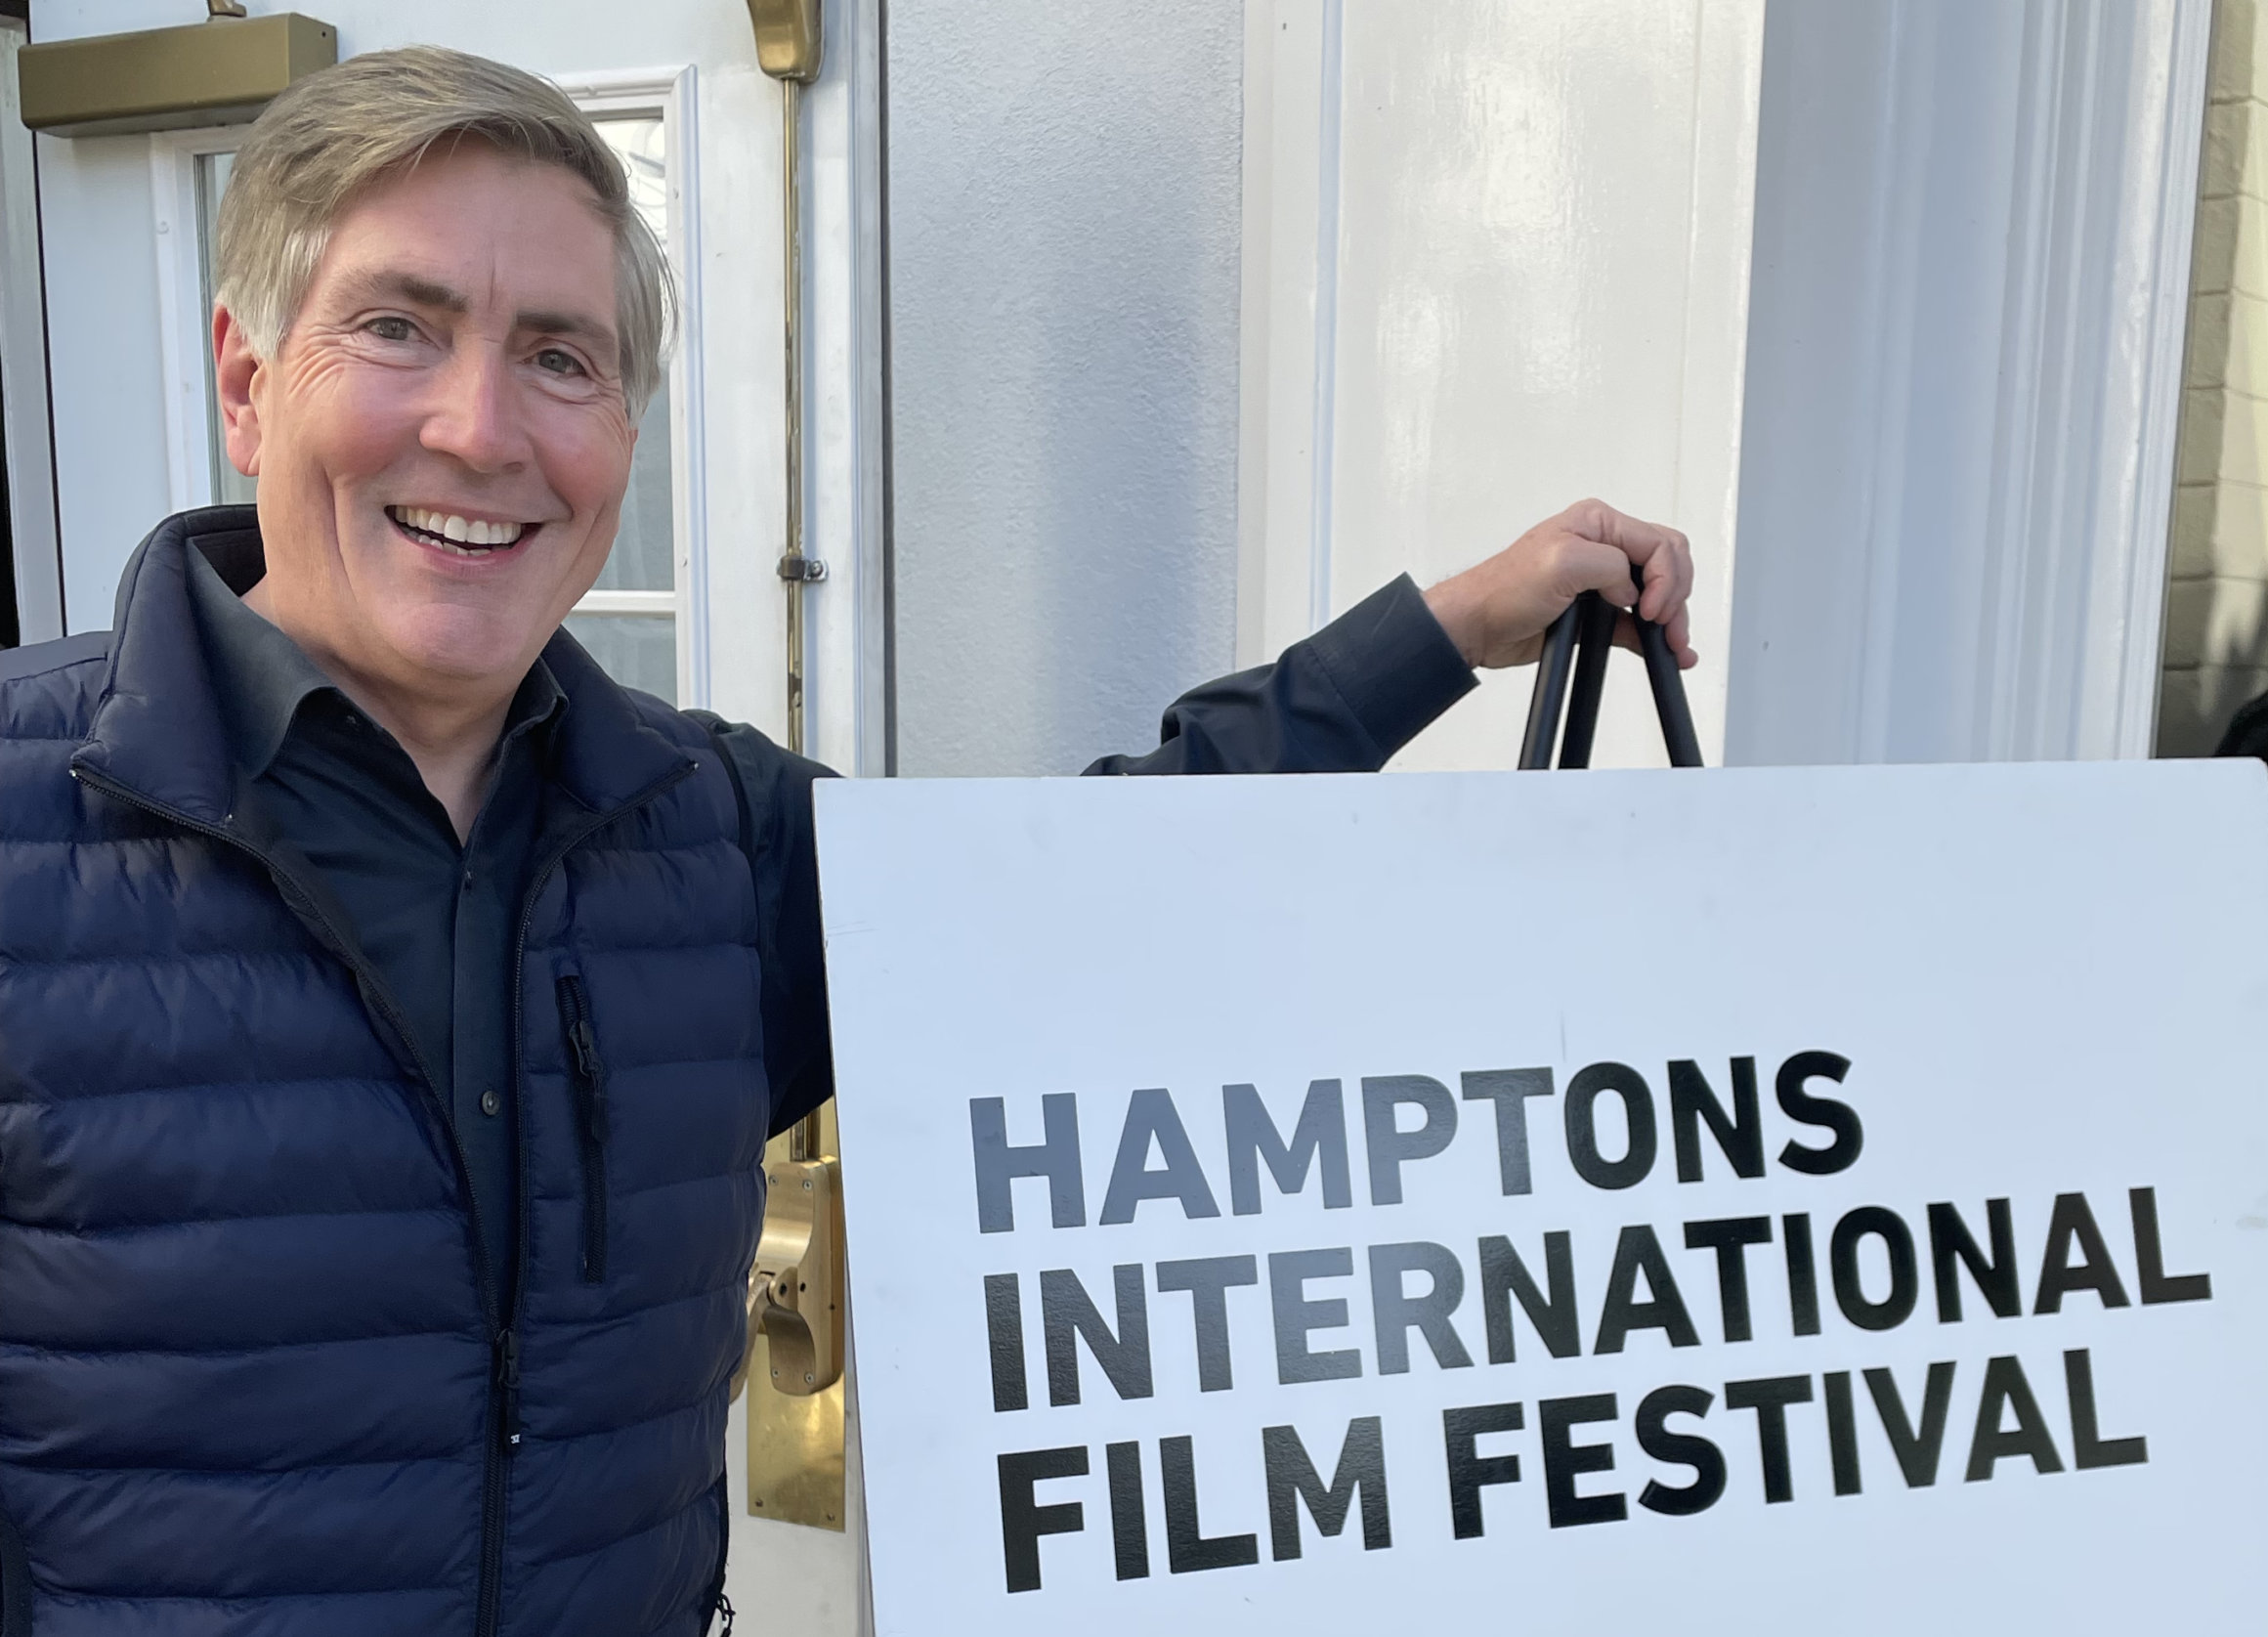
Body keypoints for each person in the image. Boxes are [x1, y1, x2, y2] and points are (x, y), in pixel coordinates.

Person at [0, 45, 1696, 1637]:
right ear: (246, 380)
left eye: (561, 357)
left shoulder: (709, 831)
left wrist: (1451, 630)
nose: (481, 430)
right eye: (399, 327)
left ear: (623, 441)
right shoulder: (22, 828)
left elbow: (1091, 884)